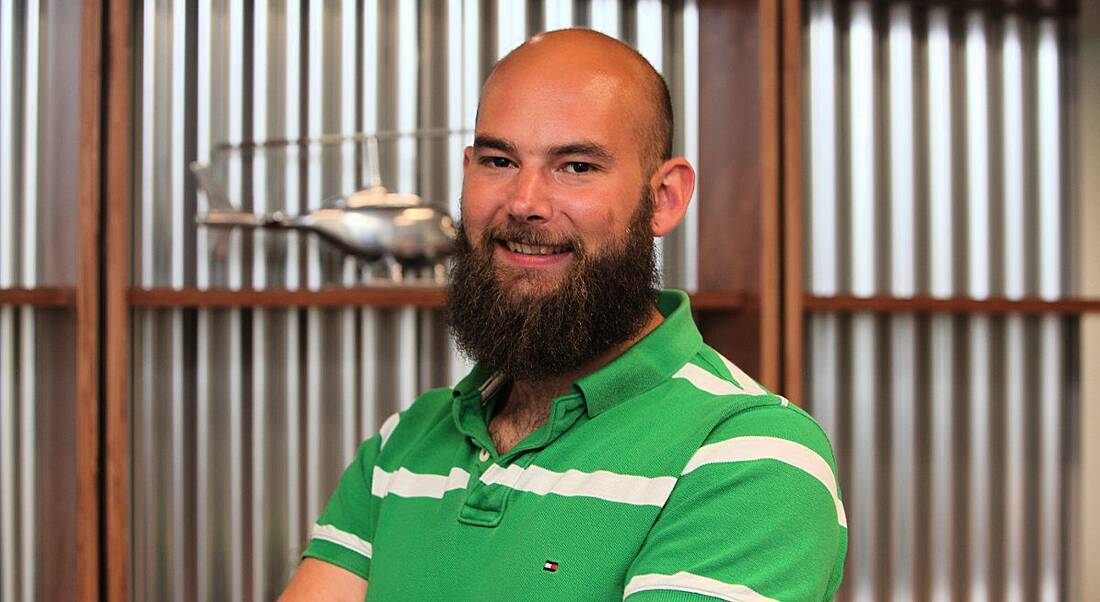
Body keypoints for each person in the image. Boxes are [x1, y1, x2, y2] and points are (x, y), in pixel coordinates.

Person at [280, 28, 846, 601]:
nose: (525, 202)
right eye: (499, 160)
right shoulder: (403, 445)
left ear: (665, 198)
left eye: (576, 166)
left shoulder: (751, 457)